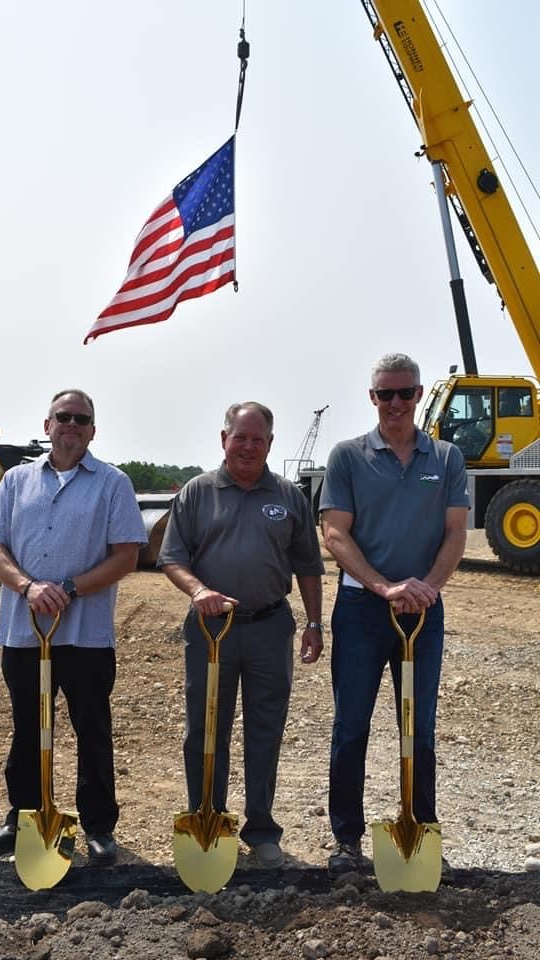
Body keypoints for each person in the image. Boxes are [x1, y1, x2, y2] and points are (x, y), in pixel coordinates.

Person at [0, 388, 147, 864]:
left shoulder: (112, 483)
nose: (72, 424)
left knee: (92, 726)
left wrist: (69, 589)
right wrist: (29, 587)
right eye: (63, 417)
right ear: (47, 425)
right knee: (28, 724)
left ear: (93, 430)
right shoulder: (15, 480)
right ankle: (23, 815)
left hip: (85, 635)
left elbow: (127, 556)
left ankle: (98, 826)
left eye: (82, 419)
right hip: (24, 632)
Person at [320, 353, 469, 875]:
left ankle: (420, 829)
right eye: (386, 394)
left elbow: (455, 532)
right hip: (363, 610)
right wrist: (384, 586)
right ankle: (346, 840)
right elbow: (335, 533)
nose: (396, 403)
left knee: (418, 727)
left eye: (406, 393)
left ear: (420, 394)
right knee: (351, 725)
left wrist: (426, 587)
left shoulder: (447, 458)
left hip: (423, 612)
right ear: (372, 398)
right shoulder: (347, 457)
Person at [157, 401, 324, 869]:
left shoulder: (289, 496)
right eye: (240, 436)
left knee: (265, 731)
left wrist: (314, 622)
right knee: (205, 729)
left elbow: (309, 565)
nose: (248, 446)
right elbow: (172, 557)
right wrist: (199, 590)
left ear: (270, 443)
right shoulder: (196, 492)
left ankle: (262, 829)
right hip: (212, 631)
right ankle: (207, 818)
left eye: (258, 439)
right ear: (223, 438)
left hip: (270, 627)